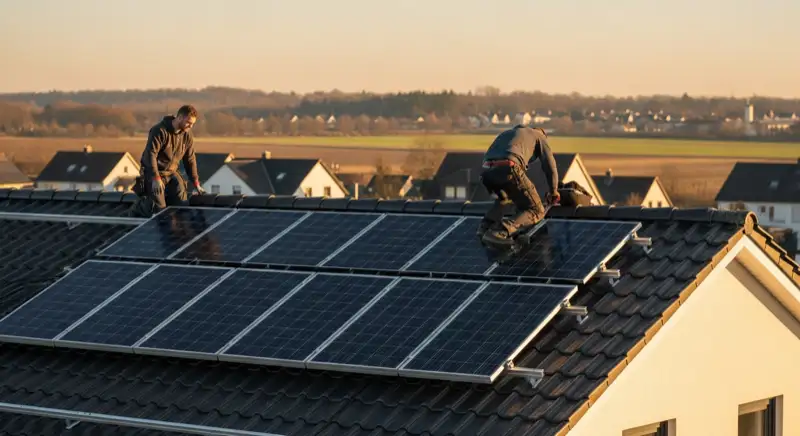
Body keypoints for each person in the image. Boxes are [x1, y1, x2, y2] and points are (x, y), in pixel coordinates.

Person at [478, 125, 560, 246]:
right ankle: (499, 232)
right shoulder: (539, 136)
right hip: (508, 168)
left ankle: (485, 227)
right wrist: (554, 191)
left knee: (505, 200)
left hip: (487, 172)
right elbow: (550, 166)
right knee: (536, 210)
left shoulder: (507, 134)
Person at [132, 105, 206, 216]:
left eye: (193, 124)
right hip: (154, 173)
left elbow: (190, 160)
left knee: (182, 205)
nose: (190, 126)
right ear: (180, 117)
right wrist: (155, 178)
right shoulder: (159, 131)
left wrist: (196, 183)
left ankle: (178, 231)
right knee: (159, 209)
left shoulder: (187, 136)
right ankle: (139, 208)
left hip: (171, 173)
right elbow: (150, 155)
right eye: (188, 123)